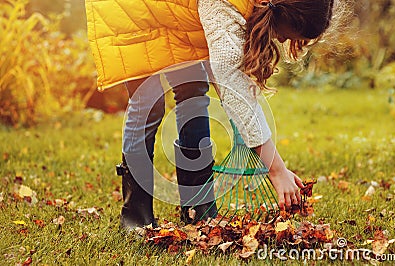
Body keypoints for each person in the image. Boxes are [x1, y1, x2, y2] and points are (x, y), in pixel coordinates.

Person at [85, 0, 334, 230]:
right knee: (148, 102)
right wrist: (276, 169)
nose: (279, 39)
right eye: (284, 35)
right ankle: (135, 215)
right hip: (132, 9)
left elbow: (229, 79)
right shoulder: (225, 2)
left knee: (193, 92)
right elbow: (231, 82)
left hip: (179, 16)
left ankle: (198, 206)